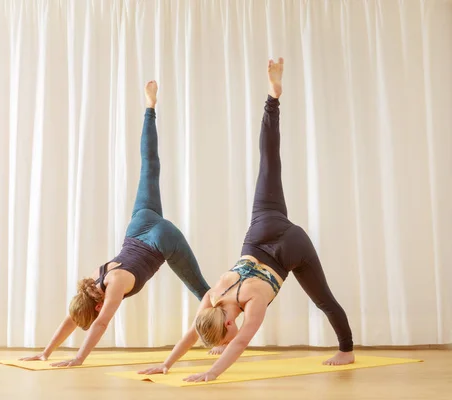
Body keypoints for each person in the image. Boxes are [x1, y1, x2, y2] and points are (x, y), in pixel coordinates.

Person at [139, 58, 354, 383]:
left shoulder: (251, 301)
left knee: (324, 299)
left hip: (291, 248)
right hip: (261, 230)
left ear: (227, 324)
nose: (227, 343)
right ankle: (272, 100)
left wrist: (210, 373)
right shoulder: (212, 296)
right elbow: (193, 334)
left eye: (223, 339)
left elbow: (239, 342)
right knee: (269, 163)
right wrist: (165, 364)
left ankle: (347, 350)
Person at [20, 81, 211, 367]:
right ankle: (150, 107)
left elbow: (100, 325)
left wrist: (78, 358)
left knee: (203, 291)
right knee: (149, 164)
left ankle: (223, 340)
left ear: (97, 306)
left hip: (162, 239)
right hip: (138, 225)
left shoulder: (113, 289)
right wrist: (46, 352)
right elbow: (73, 318)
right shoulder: (94, 280)